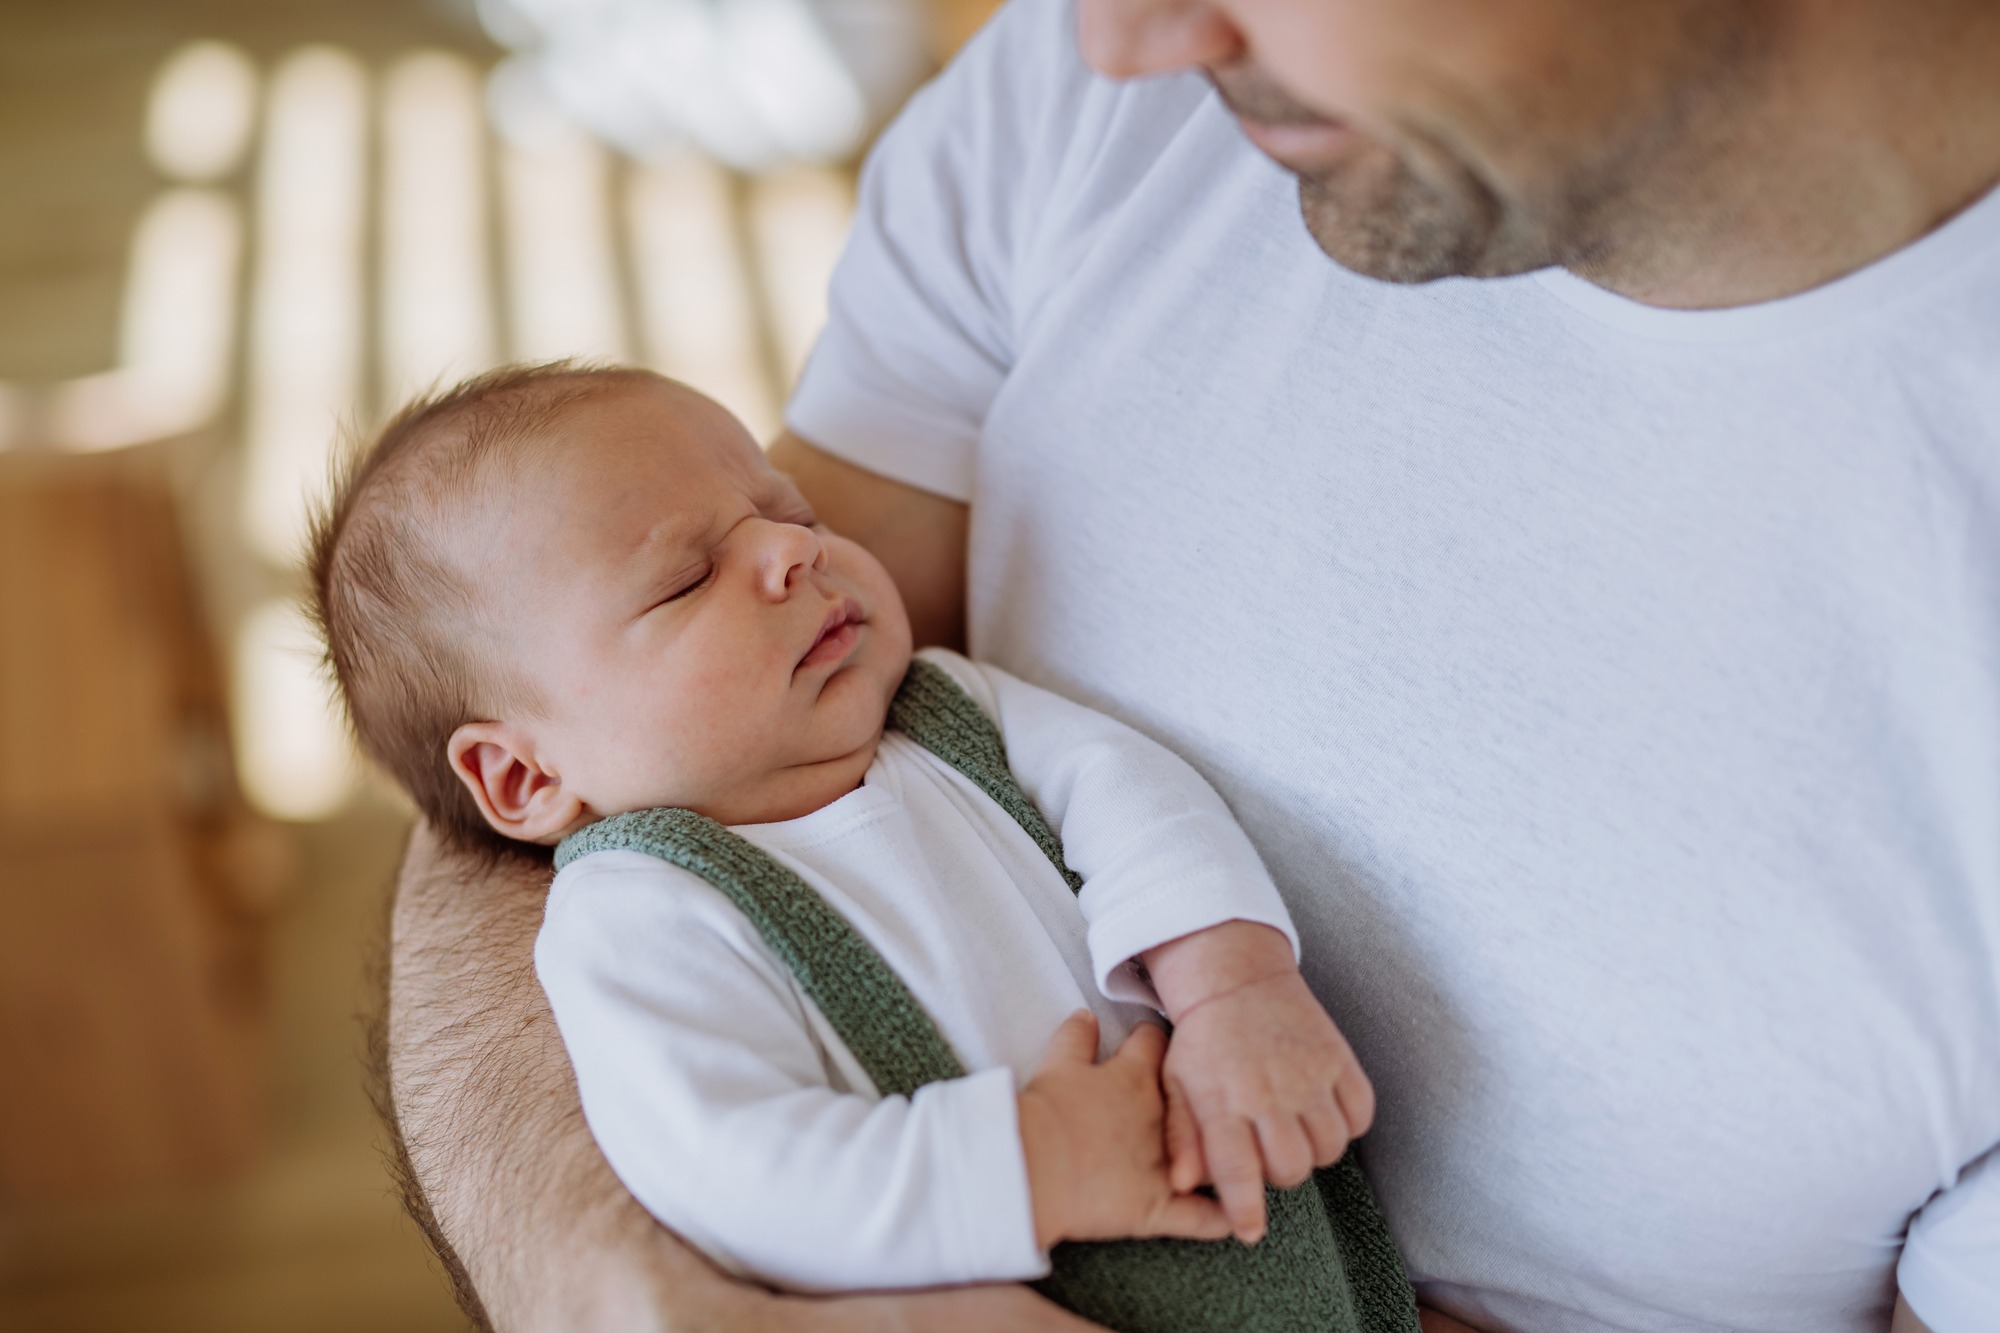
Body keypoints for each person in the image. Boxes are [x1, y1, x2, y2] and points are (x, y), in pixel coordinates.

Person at [379, 0, 2000, 1328]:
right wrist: (630, 1289)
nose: (1123, 40)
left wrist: (1231, 978)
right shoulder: (1109, 114)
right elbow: (581, 707)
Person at [309, 364, 1404, 1316]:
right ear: (524, 773)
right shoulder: (639, 916)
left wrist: (1229, 987)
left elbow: (1136, 799)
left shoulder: (953, 710)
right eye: (687, 576)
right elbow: (733, 1164)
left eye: (792, 513)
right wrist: (1028, 1163)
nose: (792, 549)